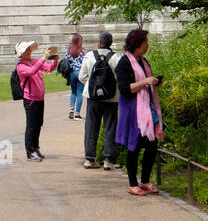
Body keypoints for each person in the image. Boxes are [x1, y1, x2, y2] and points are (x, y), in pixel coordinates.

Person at [115, 28, 164, 196]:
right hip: (133, 112)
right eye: (145, 43)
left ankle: (145, 180)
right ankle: (132, 183)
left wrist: (154, 82)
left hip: (147, 112)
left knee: (151, 146)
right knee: (133, 147)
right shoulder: (124, 63)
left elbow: (145, 83)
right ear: (137, 45)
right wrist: (145, 82)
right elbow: (124, 88)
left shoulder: (143, 61)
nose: (147, 46)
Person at [79, 31, 121, 170]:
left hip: (93, 98)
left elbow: (82, 76)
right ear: (111, 43)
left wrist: (92, 86)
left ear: (99, 42)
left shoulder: (89, 56)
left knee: (91, 127)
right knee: (110, 128)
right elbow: (120, 77)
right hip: (111, 98)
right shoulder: (116, 57)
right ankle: (109, 160)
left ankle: (89, 159)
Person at [15, 39, 58, 161]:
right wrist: (43, 57)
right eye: (26, 50)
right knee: (31, 126)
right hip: (30, 99)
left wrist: (55, 60)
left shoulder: (34, 61)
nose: (29, 51)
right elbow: (32, 71)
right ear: (21, 54)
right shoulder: (21, 67)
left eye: (29, 49)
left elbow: (49, 68)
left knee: (38, 124)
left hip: (39, 98)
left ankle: (35, 148)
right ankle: (30, 151)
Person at [63, 33, 85, 119]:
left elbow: (65, 61)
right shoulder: (82, 51)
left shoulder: (69, 50)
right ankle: (77, 114)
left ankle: (71, 108)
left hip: (72, 73)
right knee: (80, 93)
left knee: (73, 92)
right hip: (80, 73)